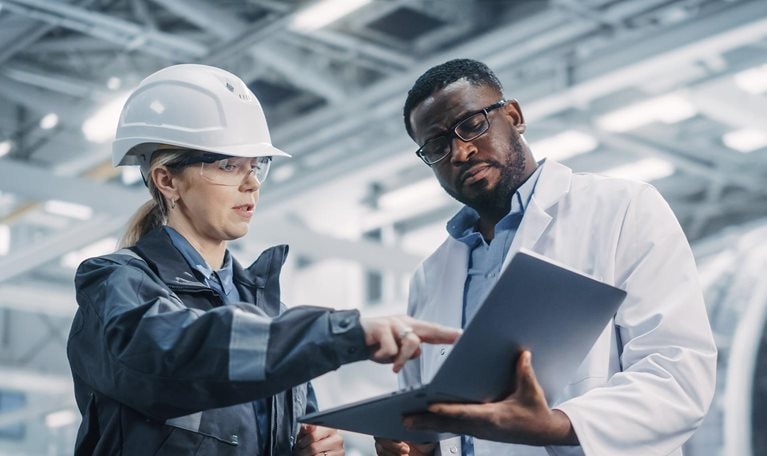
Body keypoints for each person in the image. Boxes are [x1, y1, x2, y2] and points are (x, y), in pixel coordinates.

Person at [66, 64, 461, 456]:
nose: (251, 182)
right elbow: (177, 359)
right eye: (227, 165)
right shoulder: (113, 285)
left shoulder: (268, 314)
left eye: (255, 166)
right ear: (167, 180)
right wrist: (343, 332)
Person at [374, 59, 717, 456]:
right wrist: (419, 449)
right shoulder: (429, 277)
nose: (460, 151)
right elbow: (432, 419)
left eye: (471, 125)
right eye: (437, 146)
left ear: (514, 116)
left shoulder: (624, 209)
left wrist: (557, 425)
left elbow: (676, 376)